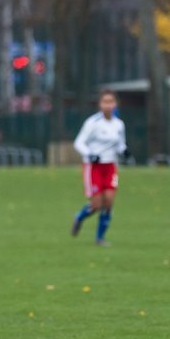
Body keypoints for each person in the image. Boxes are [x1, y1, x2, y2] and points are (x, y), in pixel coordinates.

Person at [71, 89, 130, 246]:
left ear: (115, 104)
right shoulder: (92, 123)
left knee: (109, 202)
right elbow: (79, 142)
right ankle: (79, 217)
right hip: (94, 167)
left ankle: (100, 238)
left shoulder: (119, 124)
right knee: (97, 204)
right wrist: (90, 154)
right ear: (100, 104)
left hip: (110, 166)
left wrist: (124, 151)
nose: (108, 105)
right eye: (105, 102)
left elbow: (120, 144)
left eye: (111, 102)